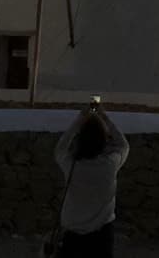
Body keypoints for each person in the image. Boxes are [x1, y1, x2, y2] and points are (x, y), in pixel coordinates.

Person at [54, 100, 129, 257]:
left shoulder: (71, 165)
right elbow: (123, 145)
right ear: (104, 140)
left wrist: (80, 118)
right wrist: (104, 116)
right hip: (102, 234)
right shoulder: (109, 165)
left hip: (73, 234)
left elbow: (61, 147)